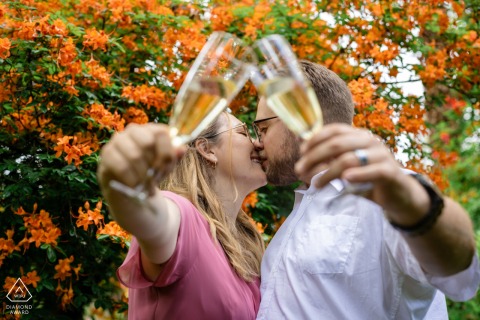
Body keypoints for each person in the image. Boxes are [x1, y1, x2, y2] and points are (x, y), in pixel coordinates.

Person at [253, 60, 480, 319]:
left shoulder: (389, 193)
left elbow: (460, 275)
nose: (258, 143)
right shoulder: (298, 214)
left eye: (263, 129)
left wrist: (415, 205)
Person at [97, 112, 267, 319]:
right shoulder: (182, 214)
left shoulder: (248, 241)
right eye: (244, 133)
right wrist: (129, 189)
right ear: (208, 149)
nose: (258, 143)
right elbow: (153, 221)